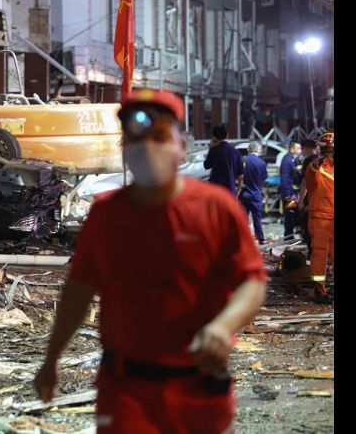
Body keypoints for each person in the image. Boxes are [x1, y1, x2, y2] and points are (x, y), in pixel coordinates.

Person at [34, 89, 267, 433]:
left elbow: (252, 280)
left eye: (159, 137)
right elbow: (78, 291)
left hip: (198, 389)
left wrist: (223, 325)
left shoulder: (216, 208)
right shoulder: (107, 215)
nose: (147, 148)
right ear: (124, 148)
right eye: (136, 139)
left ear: (182, 147)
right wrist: (51, 359)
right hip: (126, 391)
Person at [304, 132, 334, 304]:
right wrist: (320, 161)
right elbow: (311, 175)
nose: (330, 154)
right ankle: (319, 291)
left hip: (328, 217)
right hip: (320, 217)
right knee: (320, 253)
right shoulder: (316, 166)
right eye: (328, 151)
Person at [239, 142, 269, 245]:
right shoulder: (261, 162)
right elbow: (264, 178)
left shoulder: (243, 160)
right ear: (258, 150)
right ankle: (260, 239)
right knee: (257, 218)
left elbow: (238, 175)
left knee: (243, 218)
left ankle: (242, 239)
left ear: (248, 149)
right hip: (256, 194)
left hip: (244, 194)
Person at [204, 123, 244, 197]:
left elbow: (206, 166)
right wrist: (238, 190)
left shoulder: (213, 151)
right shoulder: (236, 152)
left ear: (215, 137)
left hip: (215, 191)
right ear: (227, 135)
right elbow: (241, 175)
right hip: (230, 191)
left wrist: (211, 148)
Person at [279, 141, 303, 240]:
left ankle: (293, 236)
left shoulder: (295, 159)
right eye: (298, 148)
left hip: (295, 193)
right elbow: (285, 179)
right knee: (289, 216)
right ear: (292, 149)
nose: (300, 151)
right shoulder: (287, 160)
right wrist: (288, 195)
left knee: (294, 215)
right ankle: (288, 237)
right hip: (289, 194)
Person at [298, 139, 318, 251]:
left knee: (307, 226)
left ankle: (311, 251)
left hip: (309, 199)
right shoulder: (322, 160)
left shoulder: (308, 161)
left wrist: (301, 201)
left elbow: (305, 182)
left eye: (303, 149)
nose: (302, 151)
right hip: (321, 199)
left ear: (307, 148)